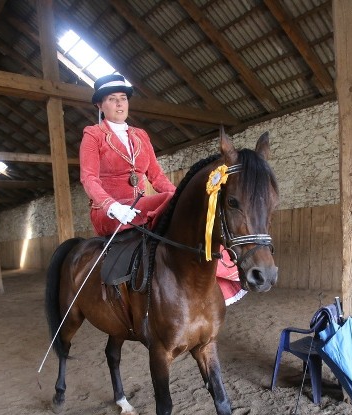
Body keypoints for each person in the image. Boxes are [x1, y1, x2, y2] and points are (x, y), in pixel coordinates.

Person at [79, 74, 246, 305]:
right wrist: (112, 207)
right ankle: (225, 267)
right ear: (100, 104)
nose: (119, 104)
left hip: (140, 207)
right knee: (169, 201)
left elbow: (156, 176)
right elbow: (88, 179)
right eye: (112, 99)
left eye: (123, 98)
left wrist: (181, 197)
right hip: (111, 211)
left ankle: (222, 268)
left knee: (174, 201)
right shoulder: (93, 135)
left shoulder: (141, 136)